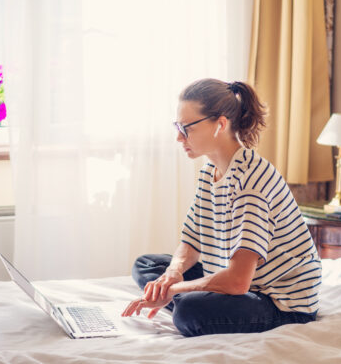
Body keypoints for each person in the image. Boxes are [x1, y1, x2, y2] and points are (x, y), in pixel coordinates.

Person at [121, 78, 322, 337]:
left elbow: (238, 282)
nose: (178, 137)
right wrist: (171, 276)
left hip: (279, 302)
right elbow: (191, 242)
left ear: (221, 125)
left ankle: (191, 302)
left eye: (186, 128)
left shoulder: (251, 183)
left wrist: (173, 291)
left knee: (187, 312)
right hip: (242, 283)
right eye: (177, 126)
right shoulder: (209, 173)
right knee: (147, 266)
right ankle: (195, 299)